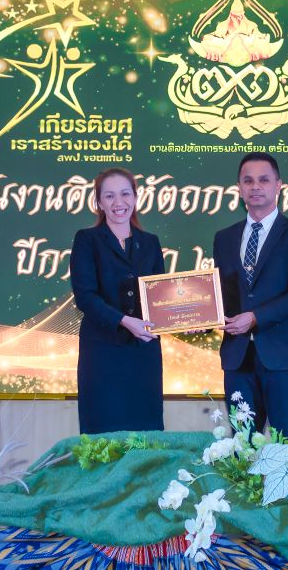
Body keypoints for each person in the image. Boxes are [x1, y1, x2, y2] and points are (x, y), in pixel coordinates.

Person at [212, 152, 288, 438]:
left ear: (278, 185)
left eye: (263, 180)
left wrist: (256, 317)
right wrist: (201, 316)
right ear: (239, 188)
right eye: (248, 181)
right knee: (242, 447)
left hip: (283, 358)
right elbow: (222, 293)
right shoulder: (224, 238)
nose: (255, 186)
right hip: (238, 359)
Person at [69, 168, 165, 434]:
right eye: (109, 196)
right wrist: (124, 321)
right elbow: (85, 297)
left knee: (145, 433)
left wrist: (183, 321)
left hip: (143, 353)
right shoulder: (87, 240)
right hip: (102, 354)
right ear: (99, 202)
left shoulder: (151, 242)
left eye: (125, 194)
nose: (118, 202)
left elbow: (159, 297)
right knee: (103, 434)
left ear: (135, 197)